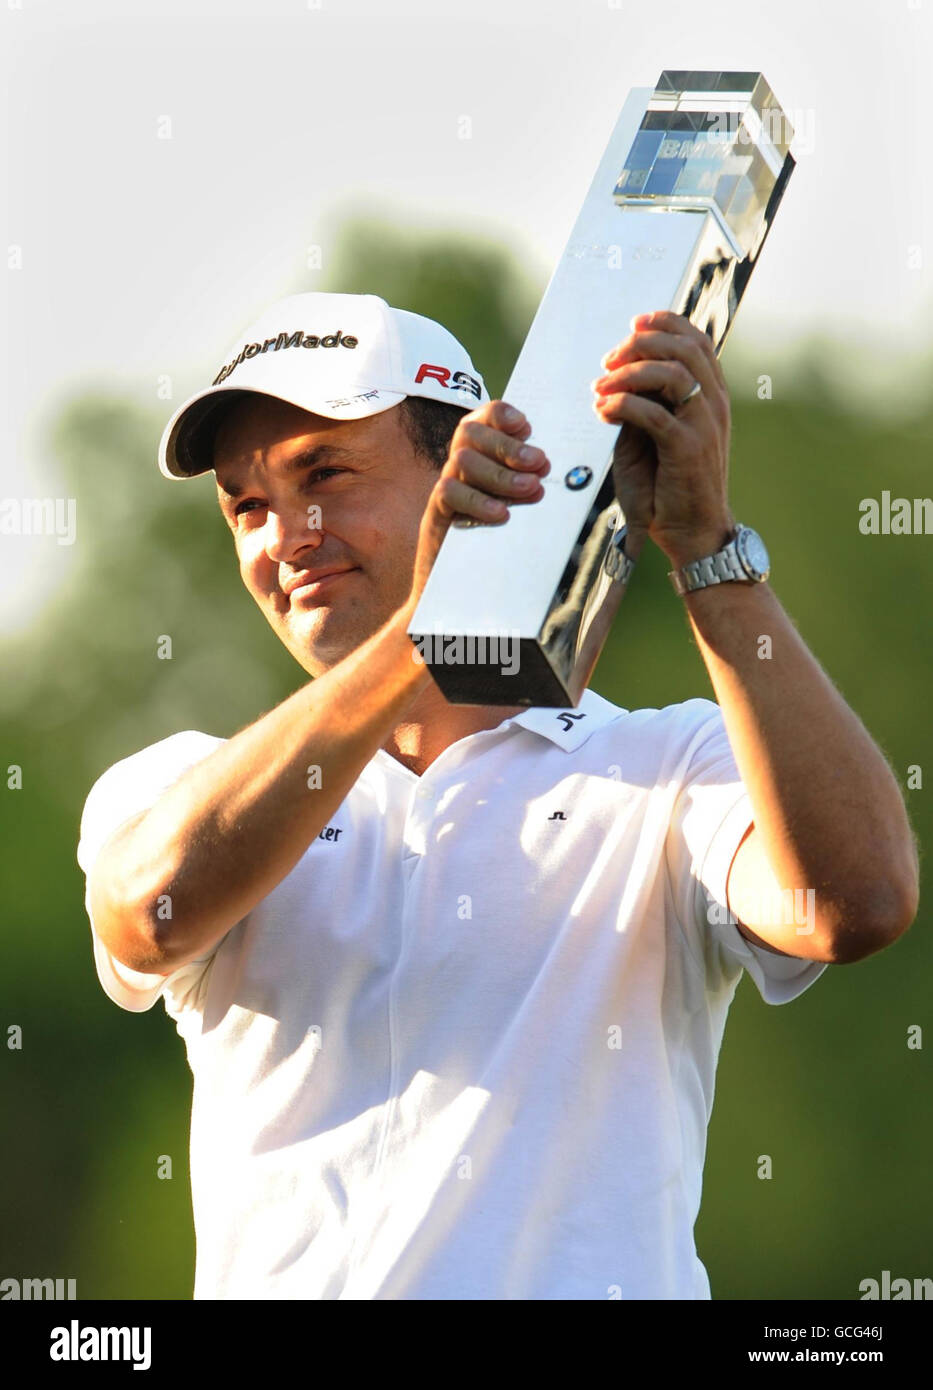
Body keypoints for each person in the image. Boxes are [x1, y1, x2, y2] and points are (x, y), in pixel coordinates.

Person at [77, 290, 919, 1300]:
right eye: (246, 505)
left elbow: (856, 901)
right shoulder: (182, 777)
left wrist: (706, 546)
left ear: (467, 475)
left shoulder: (665, 765)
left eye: (325, 477)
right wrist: (425, 634)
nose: (284, 537)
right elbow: (146, 909)